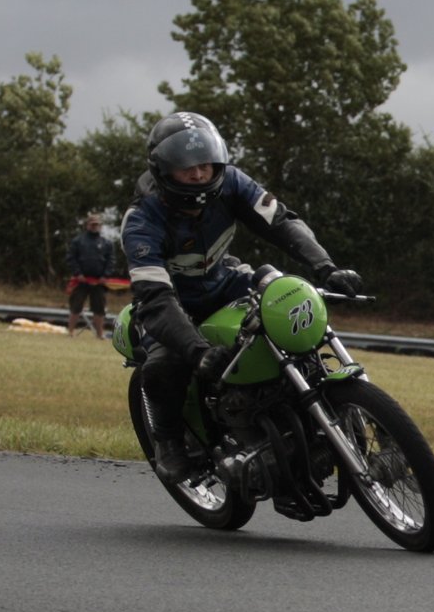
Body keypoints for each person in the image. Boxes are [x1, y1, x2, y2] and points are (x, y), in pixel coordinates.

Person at [120, 112, 364, 481]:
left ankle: (324, 397)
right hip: (171, 304)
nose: (199, 174)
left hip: (226, 280)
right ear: (164, 170)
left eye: (205, 164)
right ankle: (168, 439)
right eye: (187, 168)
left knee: (286, 295)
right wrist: (197, 351)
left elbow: (281, 221)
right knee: (165, 363)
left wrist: (326, 267)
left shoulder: (232, 181)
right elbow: (154, 297)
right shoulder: (141, 220)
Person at [63, 210, 120, 342]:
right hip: (81, 280)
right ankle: (70, 332)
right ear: (87, 225)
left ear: (100, 226)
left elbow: (111, 260)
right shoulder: (78, 241)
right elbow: (71, 258)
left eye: (97, 224)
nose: (95, 227)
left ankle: (100, 334)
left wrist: (105, 275)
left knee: (99, 308)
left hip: (99, 282)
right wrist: (78, 273)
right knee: (76, 306)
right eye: (92, 224)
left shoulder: (107, 243)